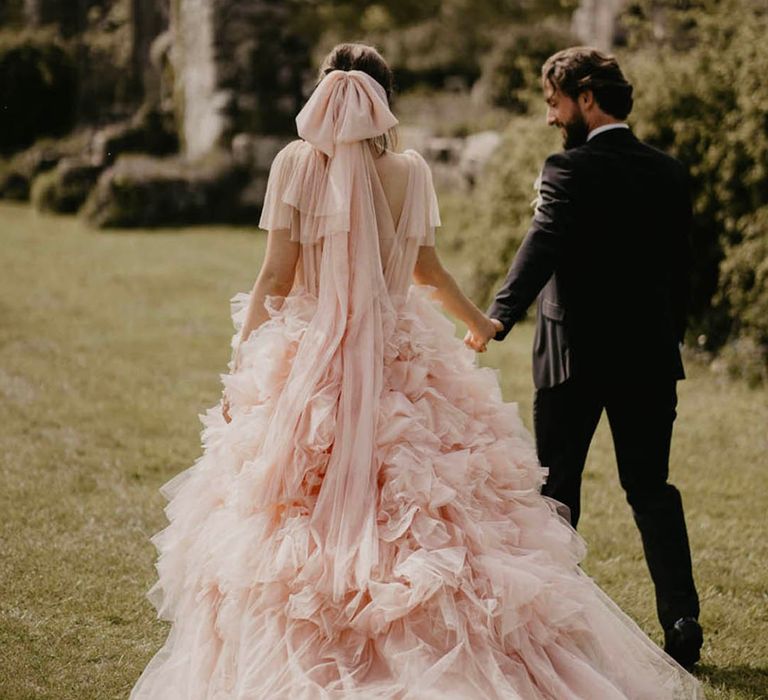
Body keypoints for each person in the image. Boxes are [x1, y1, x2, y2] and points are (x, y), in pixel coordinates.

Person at [130, 43, 703, 698]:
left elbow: (275, 276)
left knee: (297, 506)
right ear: (385, 99)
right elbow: (427, 271)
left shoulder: (294, 163)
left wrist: (243, 359)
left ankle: (312, 632)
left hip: (311, 357)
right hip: (403, 355)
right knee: (428, 498)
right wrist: (480, 321)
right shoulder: (410, 169)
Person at [475, 46, 703, 669]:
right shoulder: (669, 172)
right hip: (651, 358)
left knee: (556, 495)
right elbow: (683, 272)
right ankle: (683, 618)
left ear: (585, 98)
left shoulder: (567, 170)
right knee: (651, 488)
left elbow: (542, 242)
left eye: (553, 103)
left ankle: (556, 634)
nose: (551, 118)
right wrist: (668, 335)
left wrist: (498, 314)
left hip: (572, 357)